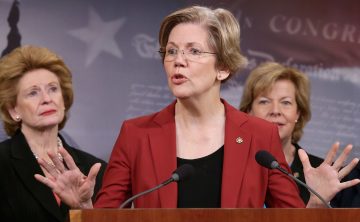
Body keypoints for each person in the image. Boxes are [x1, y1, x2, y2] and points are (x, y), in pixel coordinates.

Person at [35, 6, 359, 210]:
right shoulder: (136, 134)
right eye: (171, 51)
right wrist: (84, 209)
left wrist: (316, 202)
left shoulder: (259, 135)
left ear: (223, 68)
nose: (178, 60)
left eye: (193, 51)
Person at [0, 45, 106, 222]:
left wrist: (84, 209)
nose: (47, 98)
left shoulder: (93, 169)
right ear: (13, 109)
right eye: (33, 92)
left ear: (64, 99)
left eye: (53, 89)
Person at [239, 61, 323, 204]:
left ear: (298, 113)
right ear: (248, 111)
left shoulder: (320, 172)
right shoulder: (230, 166)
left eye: (286, 103)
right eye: (264, 102)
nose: (275, 111)